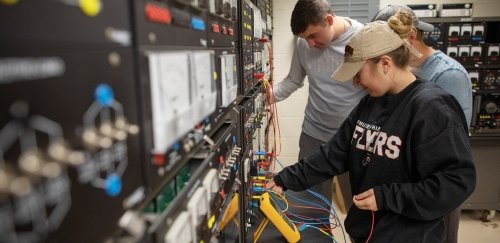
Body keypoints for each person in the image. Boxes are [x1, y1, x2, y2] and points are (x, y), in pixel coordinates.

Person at [267, 10, 476, 243]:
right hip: (368, 233)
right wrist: (285, 178)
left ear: (385, 63)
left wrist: (387, 197)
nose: (356, 83)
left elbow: (457, 181)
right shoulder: (371, 103)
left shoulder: (431, 108)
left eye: (358, 74)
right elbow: (335, 154)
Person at [372, 6, 474, 243]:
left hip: (433, 190)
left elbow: (449, 145)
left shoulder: (448, 75)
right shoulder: (396, 70)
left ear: (409, 37)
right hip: (404, 190)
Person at [273, 0, 365, 209]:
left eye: (313, 36)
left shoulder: (362, 39)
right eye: (305, 39)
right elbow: (292, 81)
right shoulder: (303, 44)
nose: (310, 44)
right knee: (309, 210)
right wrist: (261, 96)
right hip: (313, 138)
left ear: (329, 20)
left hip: (353, 141)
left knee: (358, 214)